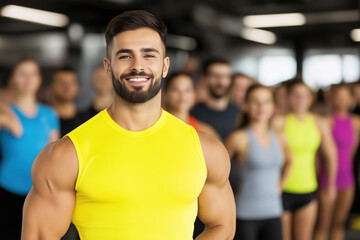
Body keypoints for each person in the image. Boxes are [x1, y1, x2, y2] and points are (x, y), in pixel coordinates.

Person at [22, 10, 236, 240]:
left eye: (148, 55)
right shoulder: (66, 154)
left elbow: (222, 226)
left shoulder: (205, 150)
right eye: (125, 56)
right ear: (107, 66)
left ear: (165, 66)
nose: (137, 66)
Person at [0, 58, 59, 239]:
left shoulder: (49, 115)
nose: (28, 79)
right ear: (12, 79)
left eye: (32, 73)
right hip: (6, 189)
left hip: (38, 192)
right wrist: (6, 118)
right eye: (22, 73)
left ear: (39, 79)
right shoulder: (4, 111)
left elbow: (53, 158)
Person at [272, 79, 337, 240]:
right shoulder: (279, 122)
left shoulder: (318, 122)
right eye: (295, 95)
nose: (300, 99)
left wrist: (331, 184)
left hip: (308, 189)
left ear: (310, 98)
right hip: (281, 190)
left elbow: (331, 155)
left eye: (304, 96)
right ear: (287, 97)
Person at [225, 84, 292, 240]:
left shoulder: (280, 137)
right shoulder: (239, 138)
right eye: (255, 101)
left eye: (267, 101)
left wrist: (280, 186)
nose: (262, 106)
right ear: (246, 105)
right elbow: (217, 171)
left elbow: (289, 161)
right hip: (245, 214)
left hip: (274, 212)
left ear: (273, 106)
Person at [315, 84, 360, 240]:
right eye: (338, 96)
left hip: (348, 179)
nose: (342, 100)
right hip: (326, 178)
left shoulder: (356, 122)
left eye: (345, 97)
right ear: (332, 98)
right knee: (323, 225)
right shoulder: (325, 121)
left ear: (351, 99)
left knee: (339, 224)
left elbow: (352, 151)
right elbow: (318, 154)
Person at [191, 57, 239, 141]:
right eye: (215, 75)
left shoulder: (239, 114)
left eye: (225, 76)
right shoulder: (193, 113)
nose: (220, 81)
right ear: (204, 78)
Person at [163, 72, 219, 138]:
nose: (182, 95)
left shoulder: (206, 131)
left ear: (194, 94)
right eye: (175, 89)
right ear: (165, 94)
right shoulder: (155, 127)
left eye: (187, 90)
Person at [47, 67, 88, 137]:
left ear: (78, 86)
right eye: (61, 82)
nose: (67, 86)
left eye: (71, 82)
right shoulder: (43, 120)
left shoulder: (88, 121)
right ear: (51, 86)